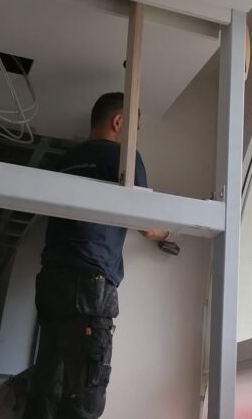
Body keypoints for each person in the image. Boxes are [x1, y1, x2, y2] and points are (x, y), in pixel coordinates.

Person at [23, 92, 168, 419]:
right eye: (135, 129)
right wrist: (168, 234)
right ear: (119, 121)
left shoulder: (64, 160)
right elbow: (145, 223)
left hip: (51, 281)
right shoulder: (123, 157)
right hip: (89, 283)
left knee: (46, 390)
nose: (134, 137)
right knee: (84, 399)